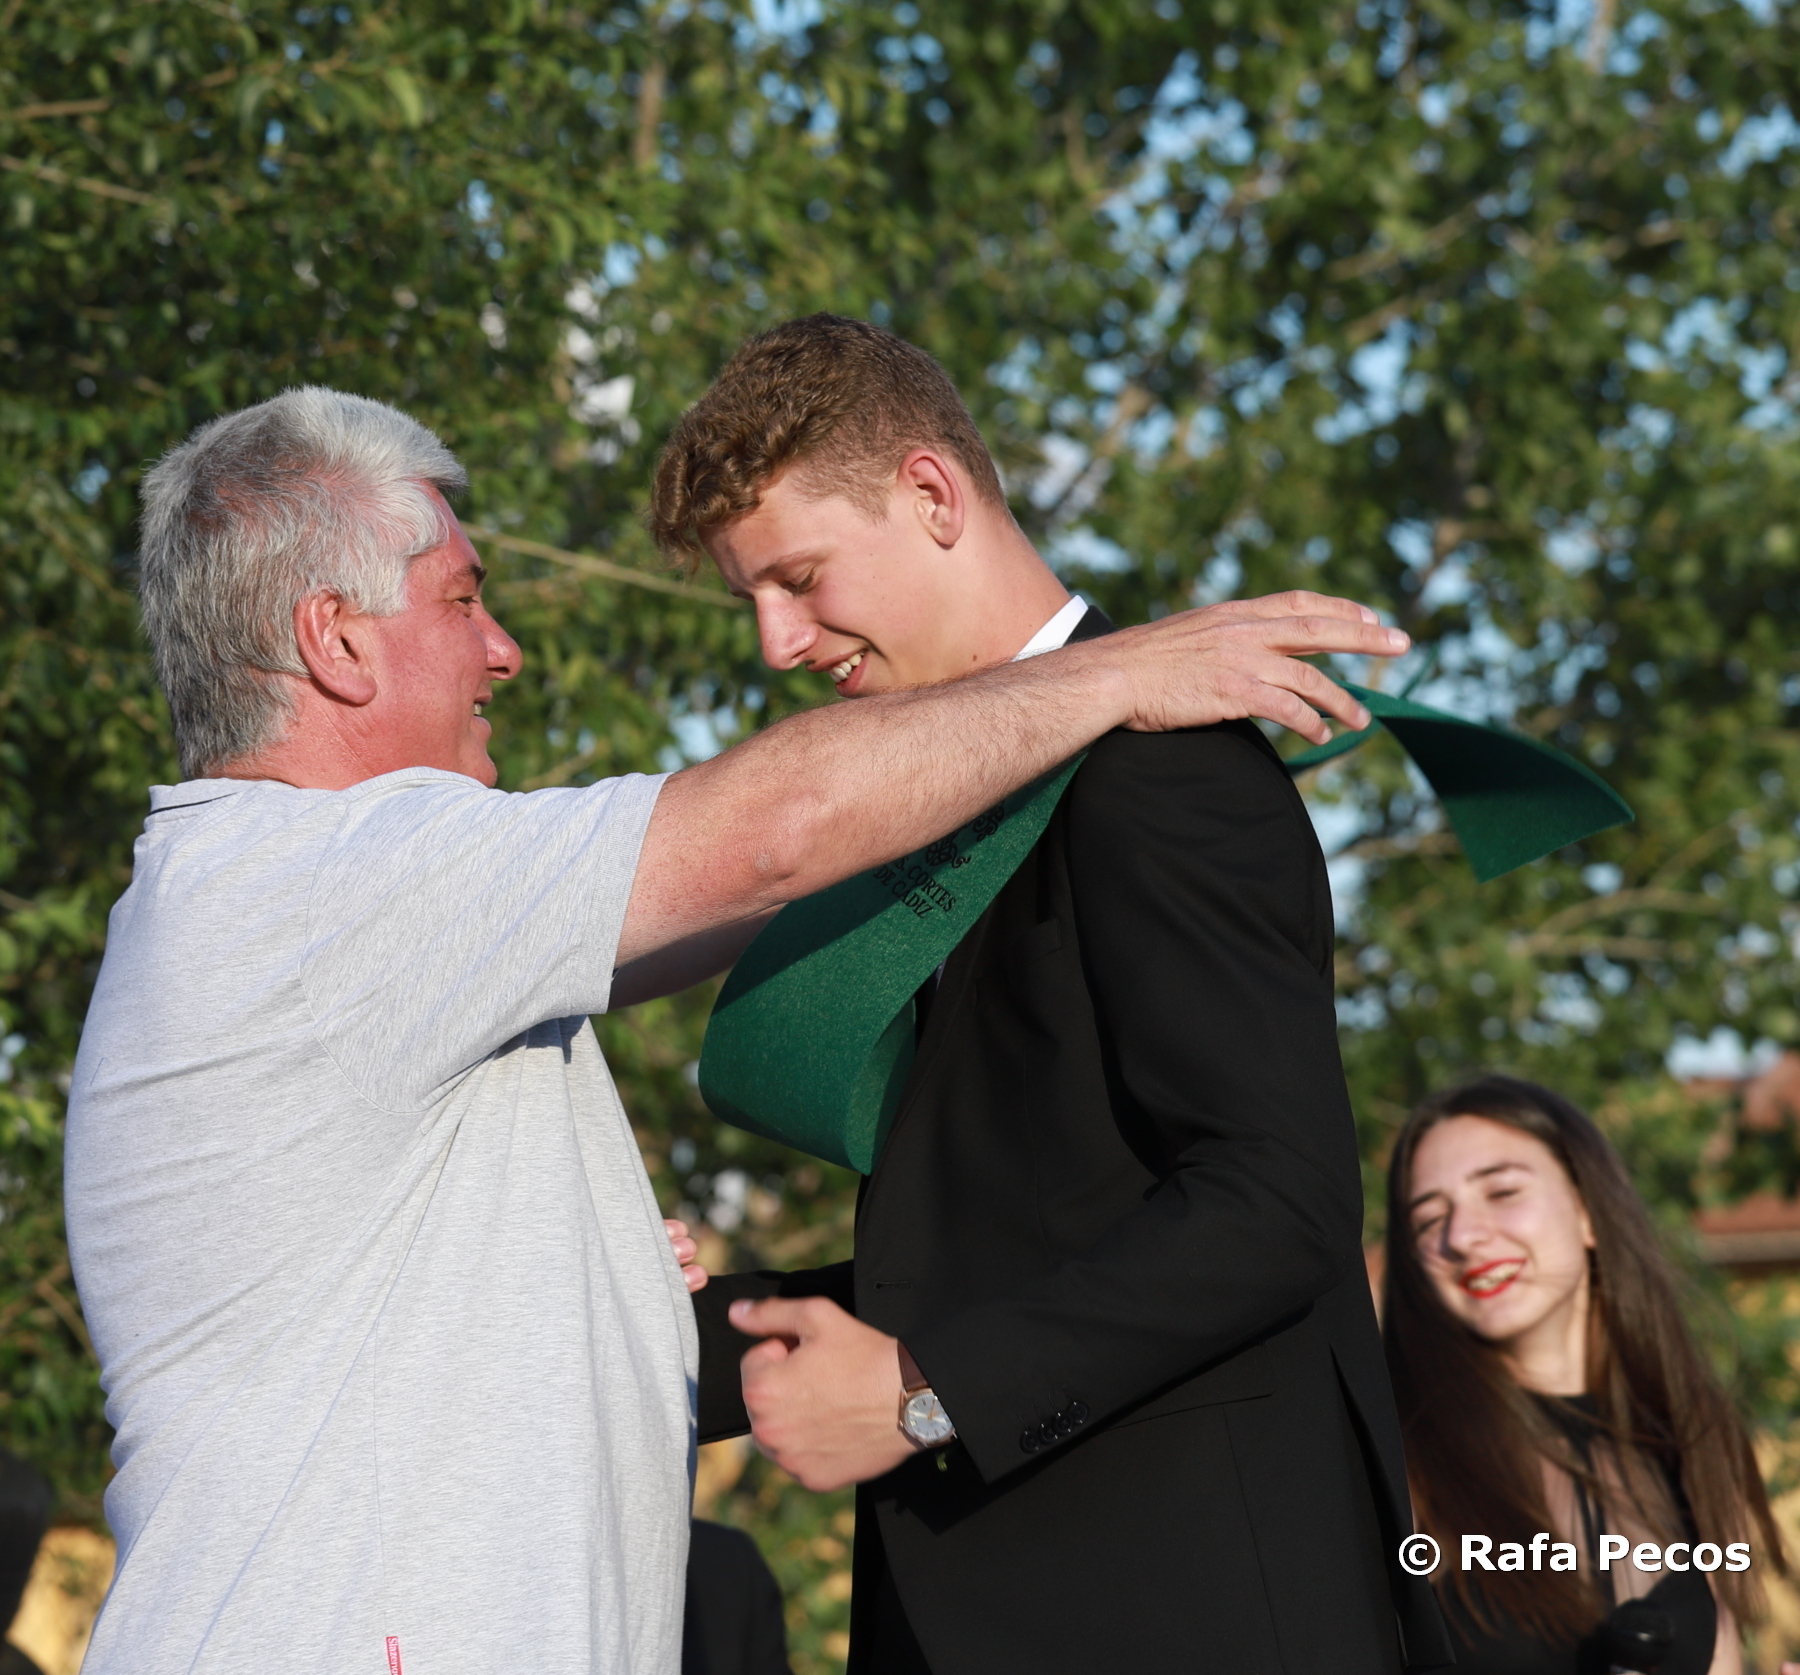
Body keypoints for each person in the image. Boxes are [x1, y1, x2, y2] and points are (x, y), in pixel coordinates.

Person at [64, 385, 1405, 1674]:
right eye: (464, 599)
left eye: (799, 578)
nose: (504, 647)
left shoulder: (348, 927)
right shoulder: (313, 884)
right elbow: (776, 835)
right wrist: (1124, 668)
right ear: (336, 640)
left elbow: (1246, 1193)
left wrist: (630, 1295)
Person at [651, 314, 1451, 1674]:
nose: (778, 640)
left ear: (931, 493)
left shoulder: (1164, 770)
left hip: (1185, 1614)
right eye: (752, 600)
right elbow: (1013, 1241)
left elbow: (1277, 1199)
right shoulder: (952, 808)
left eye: (798, 576)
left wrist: (922, 1394)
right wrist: (644, 1326)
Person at [1384, 1074, 1792, 1675]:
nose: (1462, 1237)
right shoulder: (1396, 1460)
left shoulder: (1693, 1443)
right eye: (1427, 1220)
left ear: (1588, 1212)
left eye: (1502, 1191)